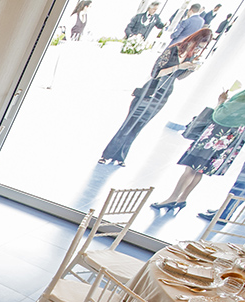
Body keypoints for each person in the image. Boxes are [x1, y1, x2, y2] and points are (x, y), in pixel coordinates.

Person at [99, 28, 211, 166]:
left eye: (201, 48)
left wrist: (190, 69)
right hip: (150, 90)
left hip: (163, 94)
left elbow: (179, 78)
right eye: (198, 45)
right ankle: (107, 155)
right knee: (129, 124)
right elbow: (156, 73)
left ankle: (120, 157)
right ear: (193, 40)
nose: (198, 49)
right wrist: (179, 66)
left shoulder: (190, 57)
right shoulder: (173, 50)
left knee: (139, 126)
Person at [150, 89, 245, 211]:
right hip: (228, 138)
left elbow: (220, 116)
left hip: (216, 135)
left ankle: (172, 198)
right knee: (198, 170)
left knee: (190, 168)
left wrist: (221, 101)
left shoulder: (243, 97)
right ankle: (182, 198)